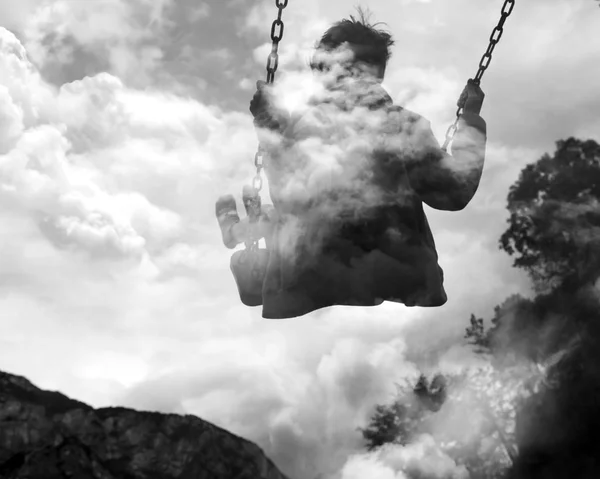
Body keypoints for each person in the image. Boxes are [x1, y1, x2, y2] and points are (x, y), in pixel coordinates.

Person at [217, 10, 487, 319]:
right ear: (378, 73)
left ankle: (242, 232)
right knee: (289, 212)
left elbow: (291, 199)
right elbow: (454, 192)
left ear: (321, 72)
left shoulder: (298, 129)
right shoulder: (402, 125)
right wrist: (471, 119)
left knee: (278, 215)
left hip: (306, 276)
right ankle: (245, 231)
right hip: (396, 270)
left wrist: (269, 126)